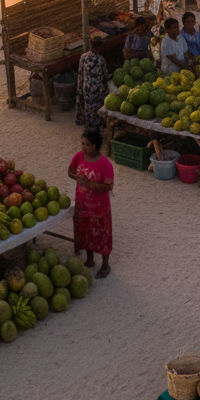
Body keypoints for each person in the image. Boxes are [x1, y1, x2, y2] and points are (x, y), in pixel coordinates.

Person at [67, 129, 113, 278]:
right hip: (82, 204)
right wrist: (77, 177)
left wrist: (89, 183)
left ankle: (105, 265)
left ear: (96, 146)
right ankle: (90, 260)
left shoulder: (105, 164)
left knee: (101, 233)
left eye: (88, 145)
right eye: (83, 144)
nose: (84, 147)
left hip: (99, 207)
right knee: (86, 230)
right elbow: (70, 172)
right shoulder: (78, 157)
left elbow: (108, 186)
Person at [75, 37, 108, 131]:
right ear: (99, 47)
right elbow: (105, 74)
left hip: (87, 87)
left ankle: (88, 126)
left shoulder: (83, 57)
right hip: (97, 88)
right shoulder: (101, 59)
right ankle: (96, 126)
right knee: (97, 107)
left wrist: (80, 87)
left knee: (88, 107)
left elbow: (80, 73)